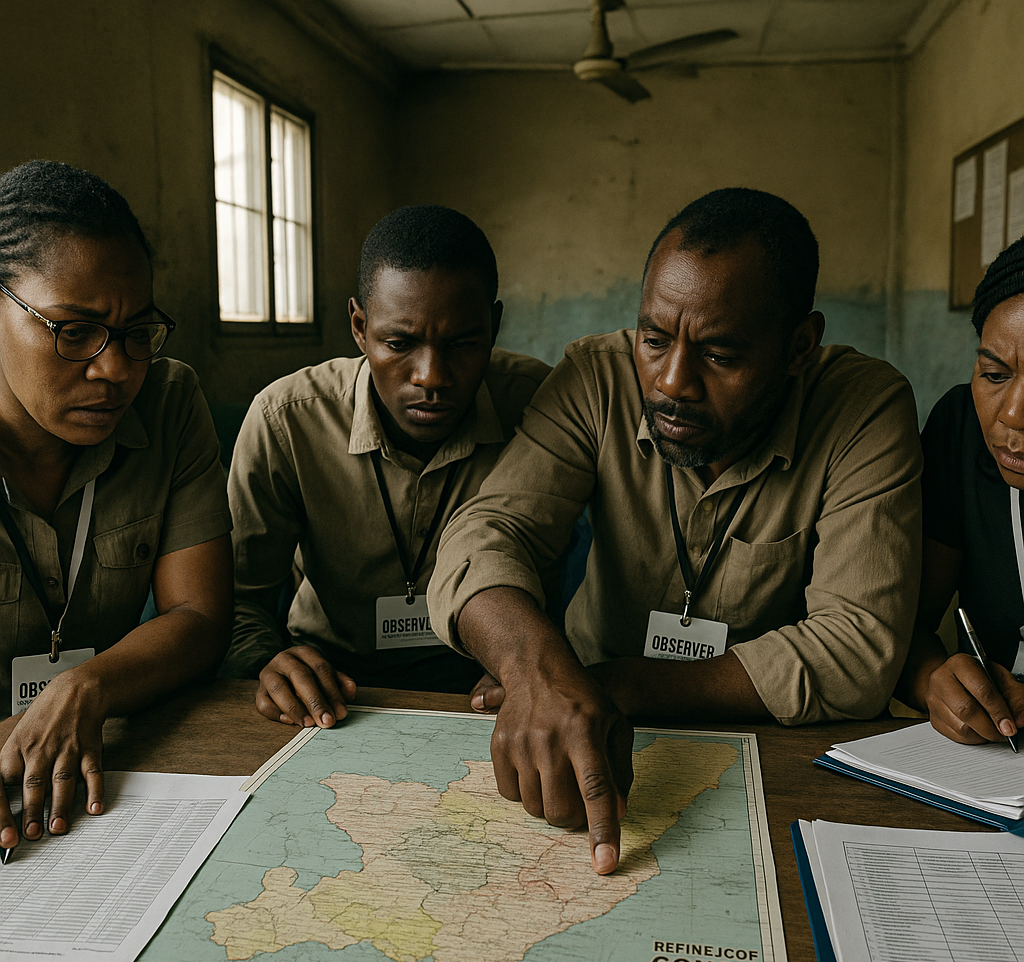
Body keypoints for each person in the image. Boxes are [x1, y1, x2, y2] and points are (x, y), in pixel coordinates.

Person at [428, 188, 923, 874]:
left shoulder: (864, 408)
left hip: (765, 743)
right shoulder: (595, 378)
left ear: (799, 347)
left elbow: (856, 648)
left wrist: (610, 686)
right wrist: (533, 667)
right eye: (654, 340)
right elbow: (486, 533)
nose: (671, 382)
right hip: (574, 714)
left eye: (720, 356)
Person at [222, 205, 550, 726]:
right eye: (398, 343)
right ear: (359, 326)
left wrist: (533, 662)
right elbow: (237, 601)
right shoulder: (287, 421)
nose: (431, 377)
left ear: (495, 325)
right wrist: (267, 661)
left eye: (463, 344)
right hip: (333, 686)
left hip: (488, 681)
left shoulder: (541, 408)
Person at [0, 160, 233, 857]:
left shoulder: (169, 401)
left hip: (103, 761)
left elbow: (199, 616)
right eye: (74, 331)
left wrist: (89, 686)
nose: (116, 369)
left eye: (138, 333)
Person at [895, 236, 1024, 744]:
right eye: (994, 374)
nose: (1012, 414)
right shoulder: (961, 432)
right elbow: (907, 631)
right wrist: (936, 681)